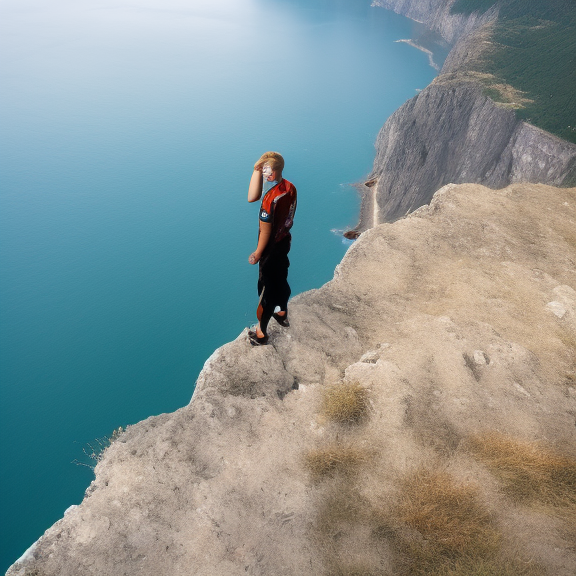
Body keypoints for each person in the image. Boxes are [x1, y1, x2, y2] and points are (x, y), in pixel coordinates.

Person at [247, 152, 297, 345]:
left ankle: (261, 333)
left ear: (274, 170)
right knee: (281, 279)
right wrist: (257, 171)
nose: (265, 172)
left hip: (270, 248)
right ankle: (282, 312)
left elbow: (265, 229)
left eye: (266, 169)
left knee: (266, 290)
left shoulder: (270, 199)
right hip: (284, 241)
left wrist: (258, 253)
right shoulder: (290, 187)